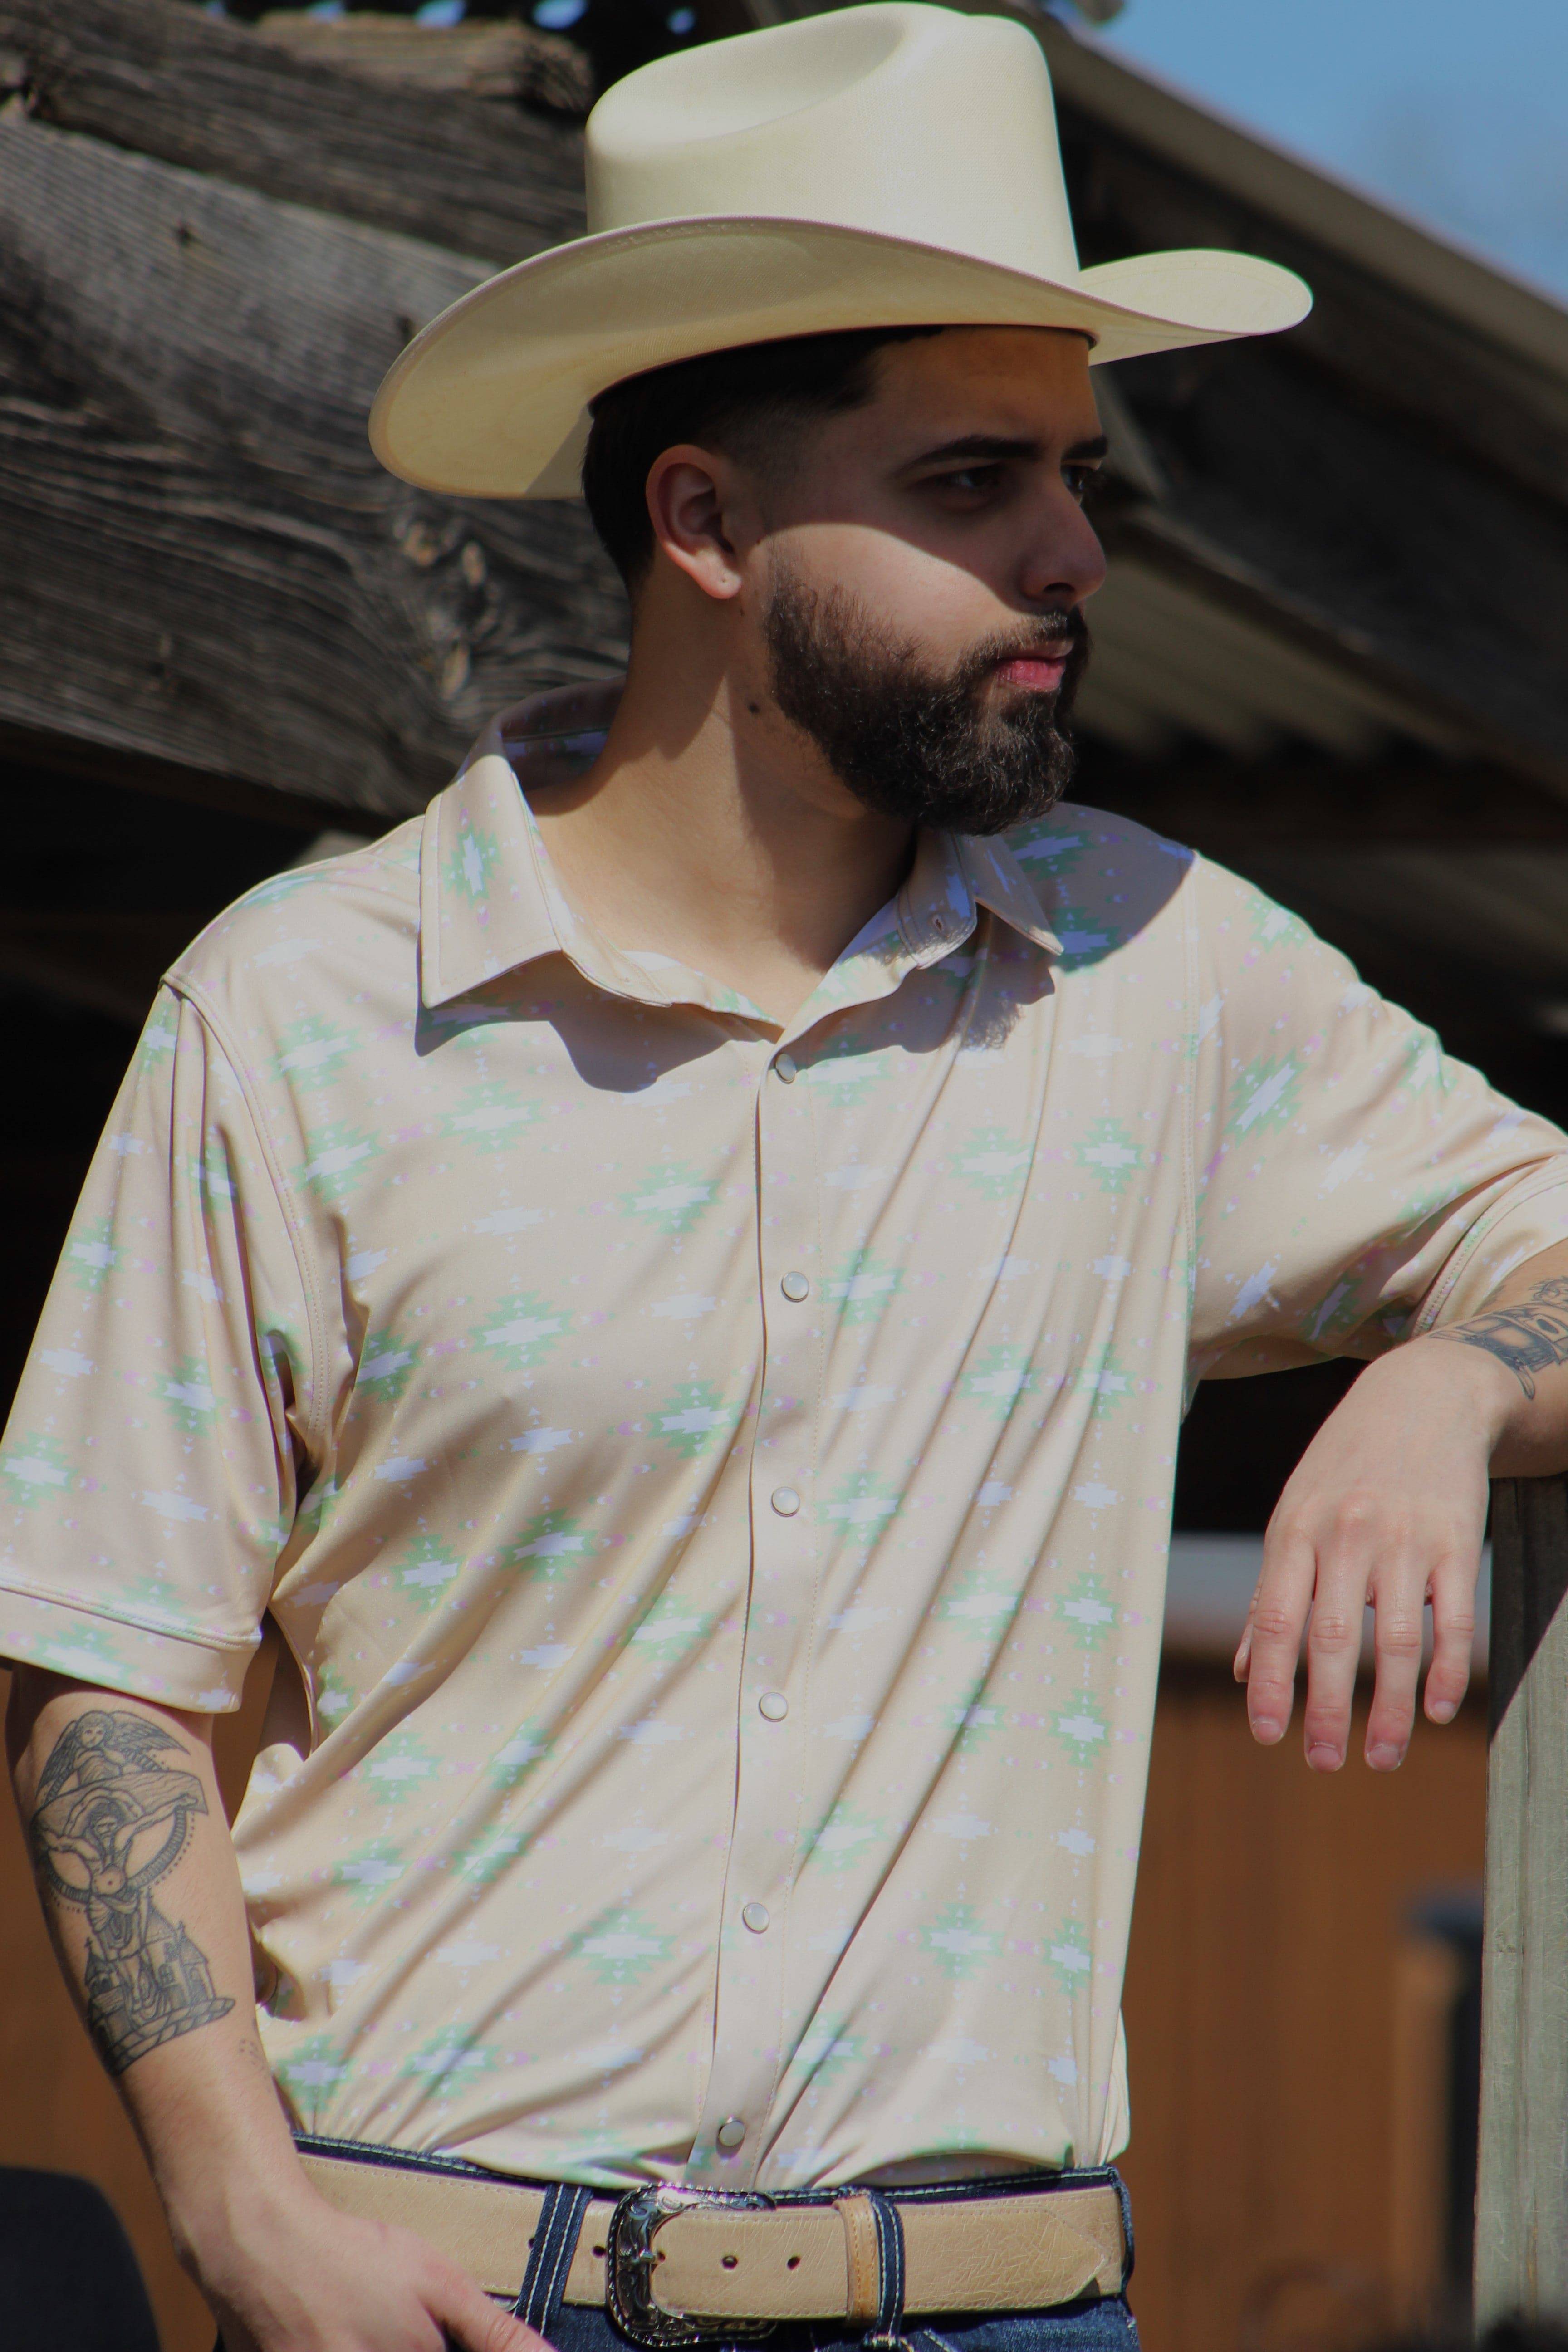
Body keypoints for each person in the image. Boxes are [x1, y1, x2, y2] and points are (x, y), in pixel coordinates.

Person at [5, 7, 1568, 2349]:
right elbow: (110, 1673)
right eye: (972, 481)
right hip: (443, 2300)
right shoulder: (303, 1012)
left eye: (1074, 473)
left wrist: (1451, 1381)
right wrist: (239, 2216)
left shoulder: (1160, 976)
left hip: (1002, 2308)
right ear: (708, 524)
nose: (1072, 551)